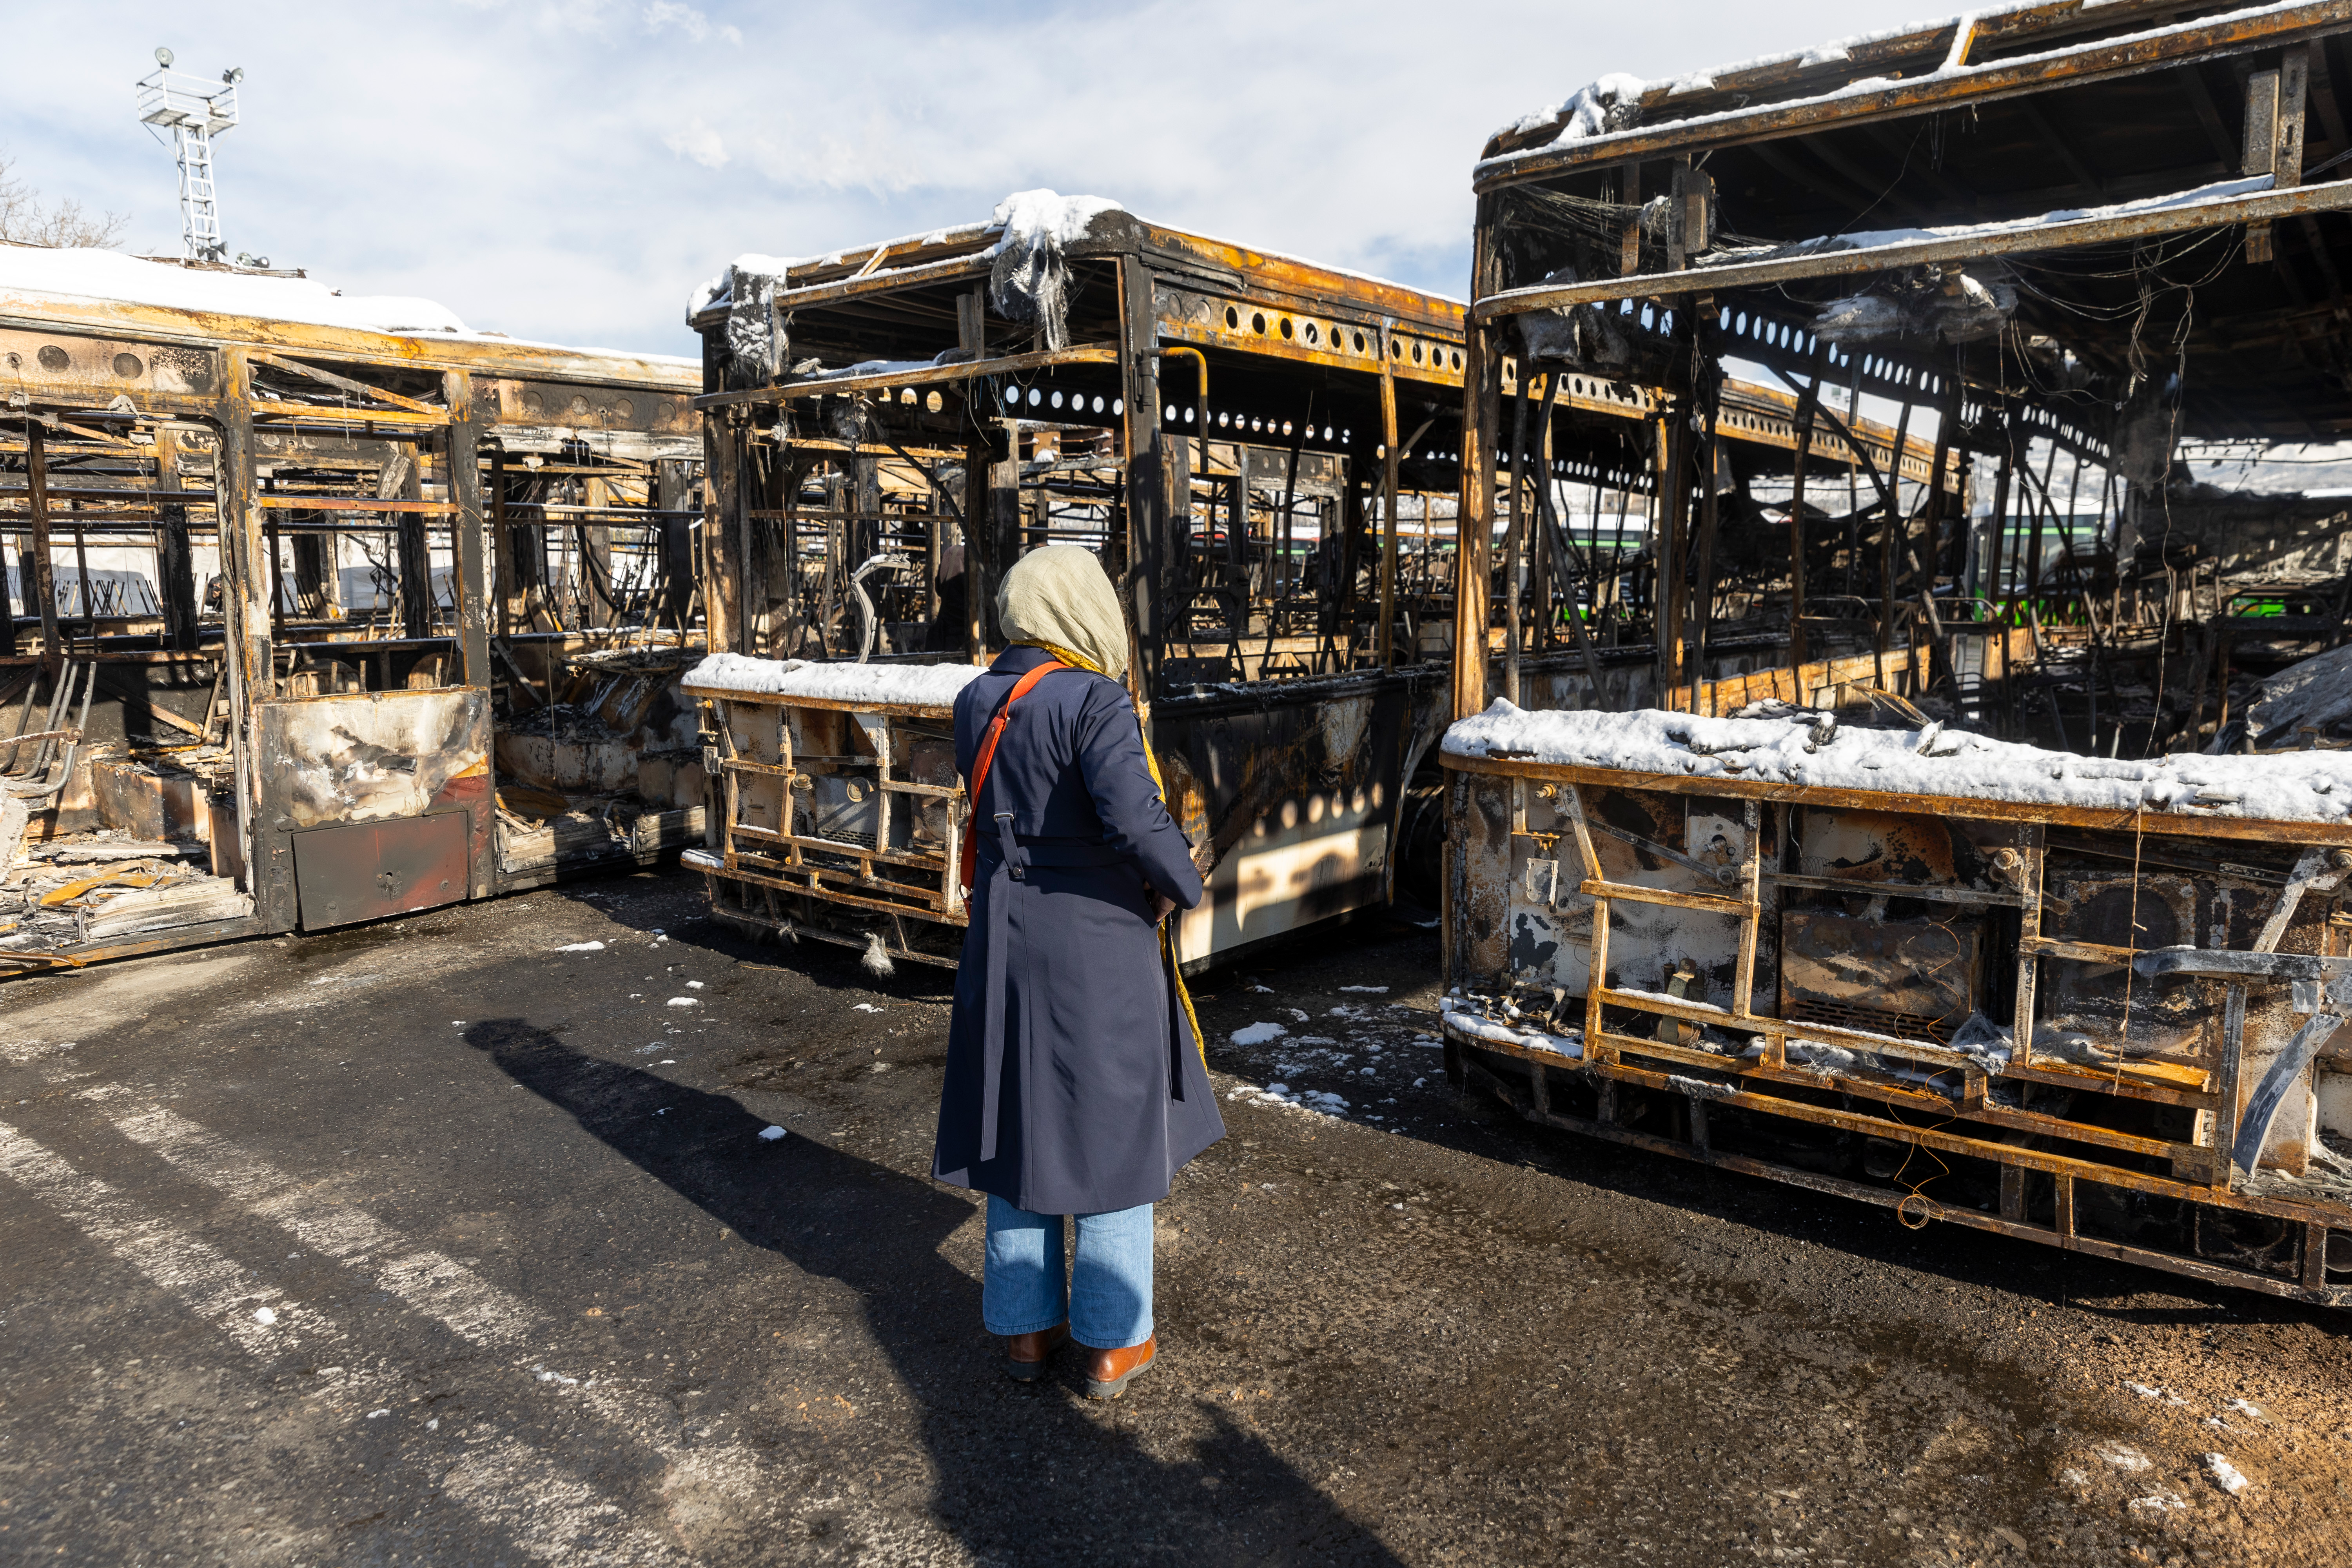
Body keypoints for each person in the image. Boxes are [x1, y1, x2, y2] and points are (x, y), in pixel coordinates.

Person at [931, 545, 1222, 1399]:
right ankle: (1109, 1339)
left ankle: (1026, 1329)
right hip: (1095, 944)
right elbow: (1134, 818)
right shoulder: (1095, 699)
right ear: (1083, 611)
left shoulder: (975, 697)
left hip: (1004, 937)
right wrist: (1186, 880)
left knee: (1015, 1121)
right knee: (1111, 1128)